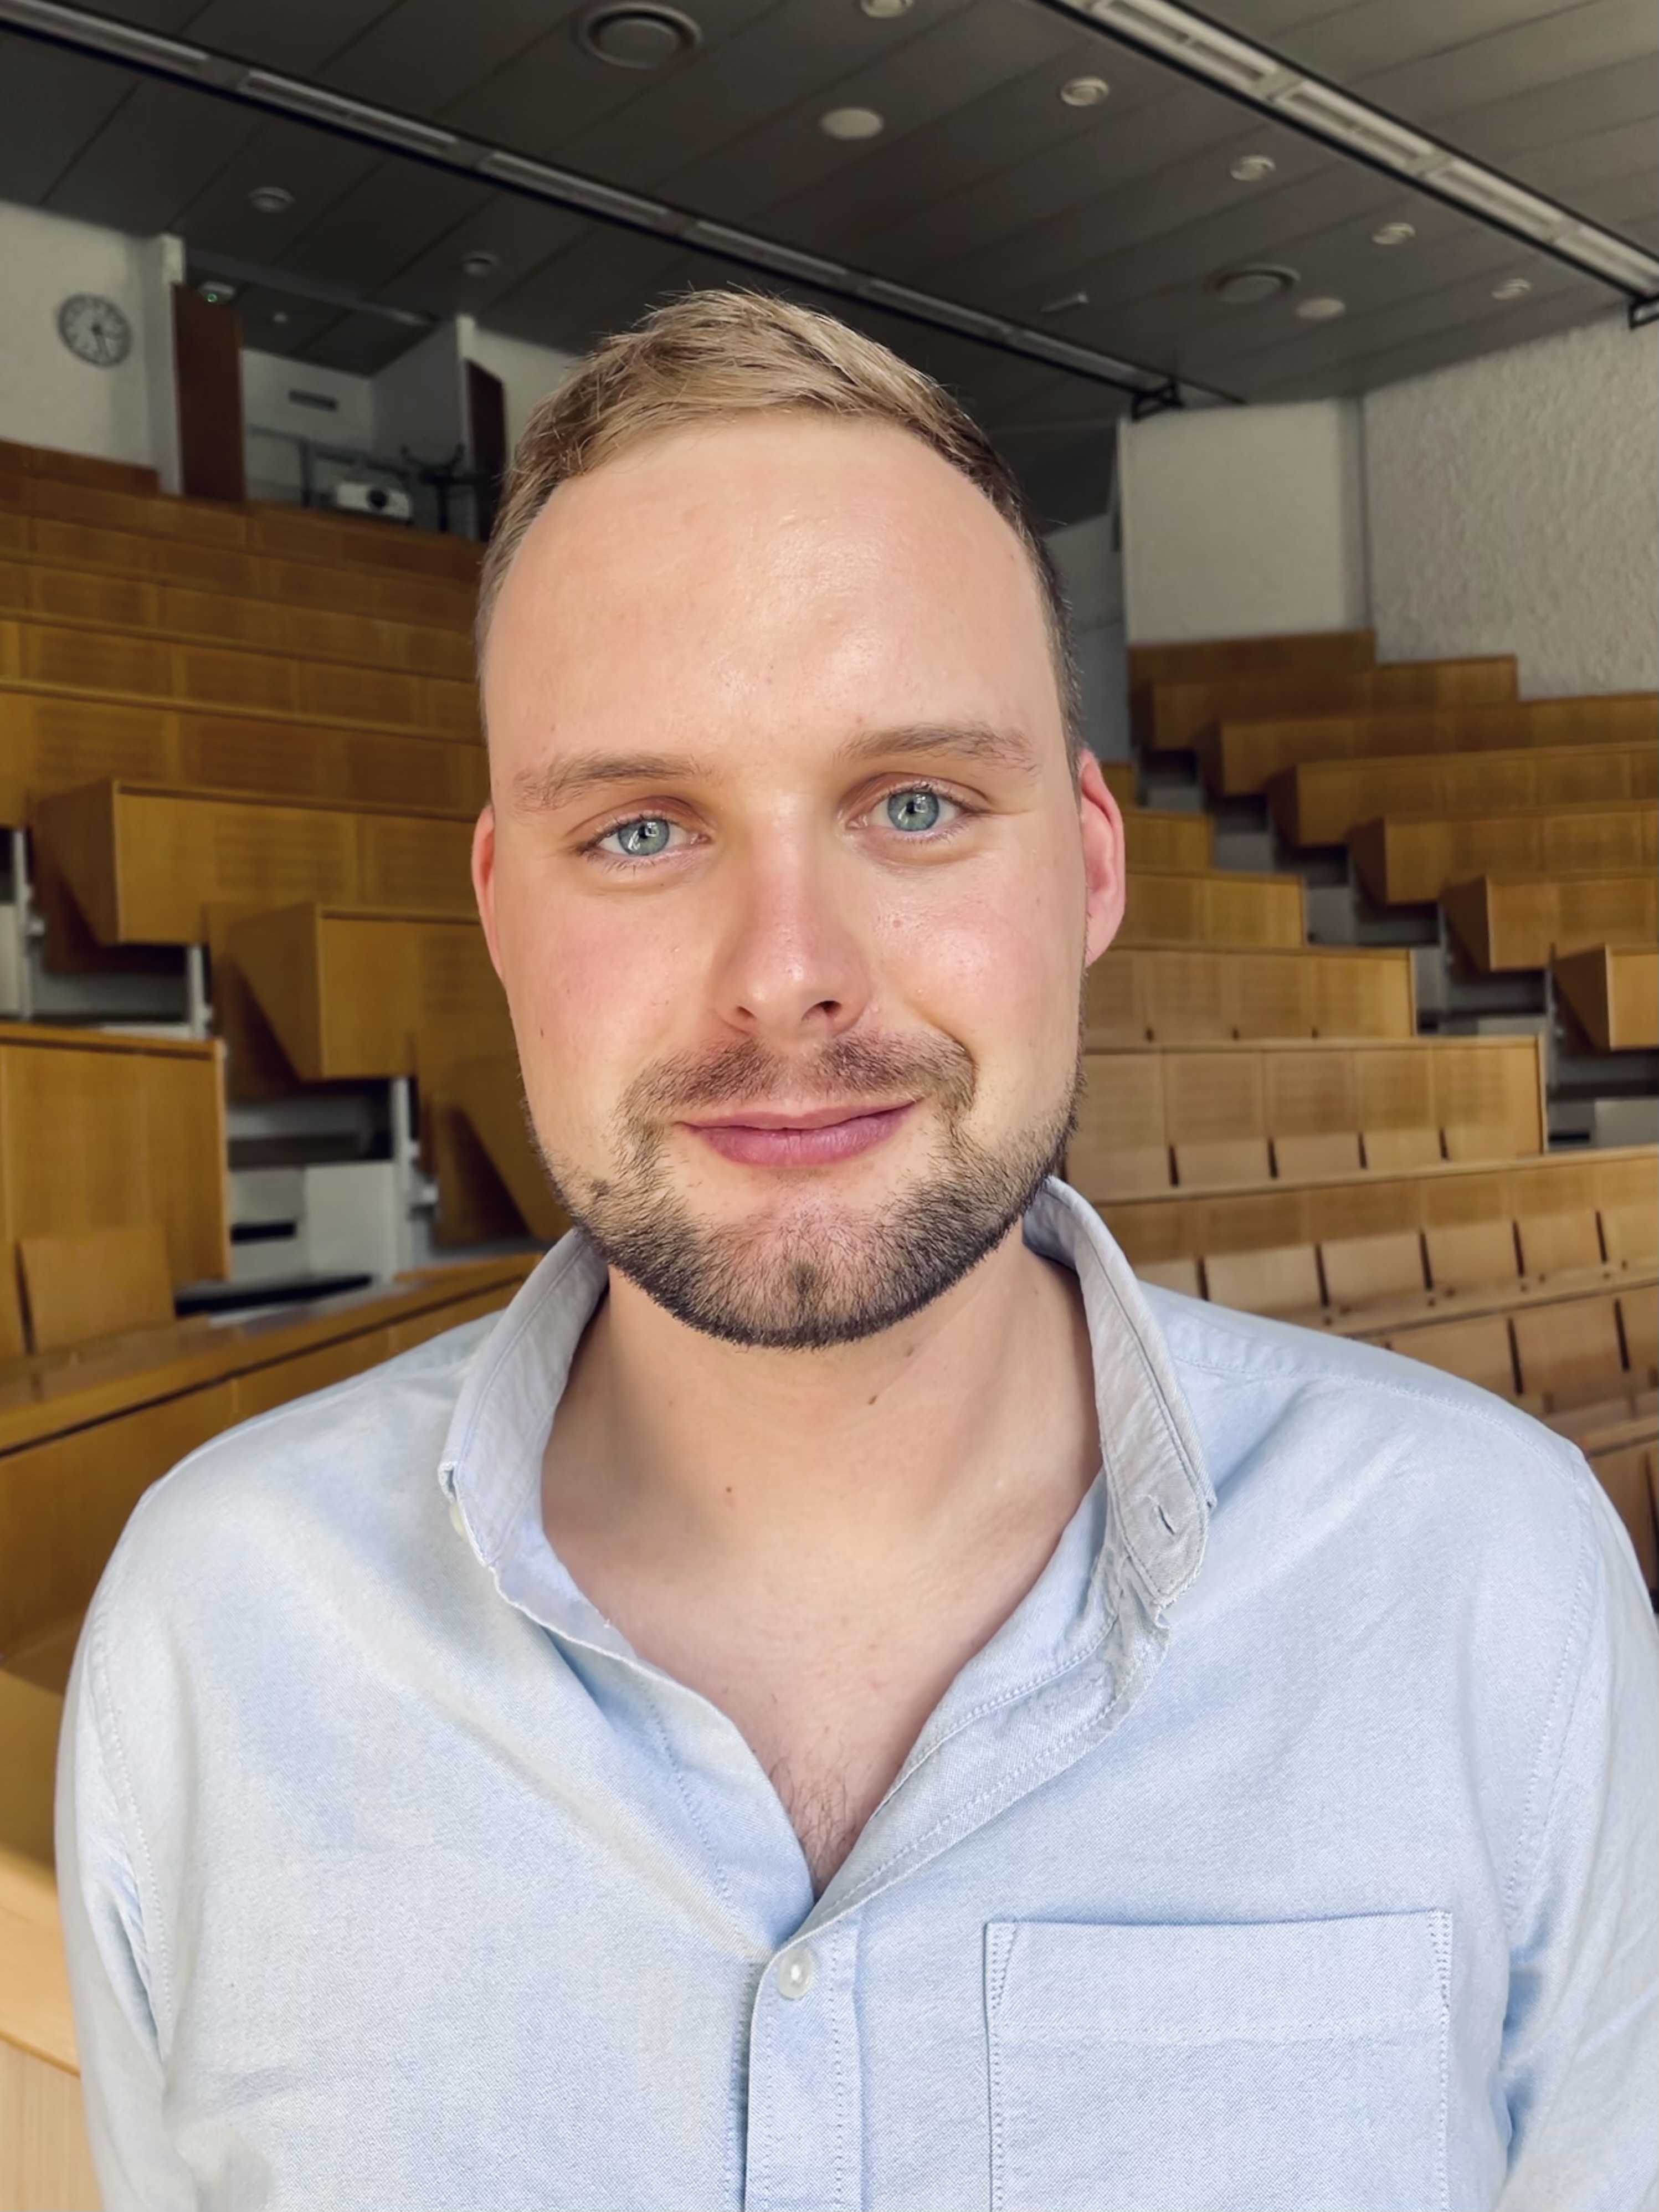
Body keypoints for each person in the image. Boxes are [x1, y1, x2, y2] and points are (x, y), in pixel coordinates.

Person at [59, 290, 1657, 2212]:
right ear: (498, 906)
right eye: (640, 830)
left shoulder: (1489, 1580)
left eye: (914, 803)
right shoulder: (214, 1637)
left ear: (1089, 863)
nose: (786, 972)